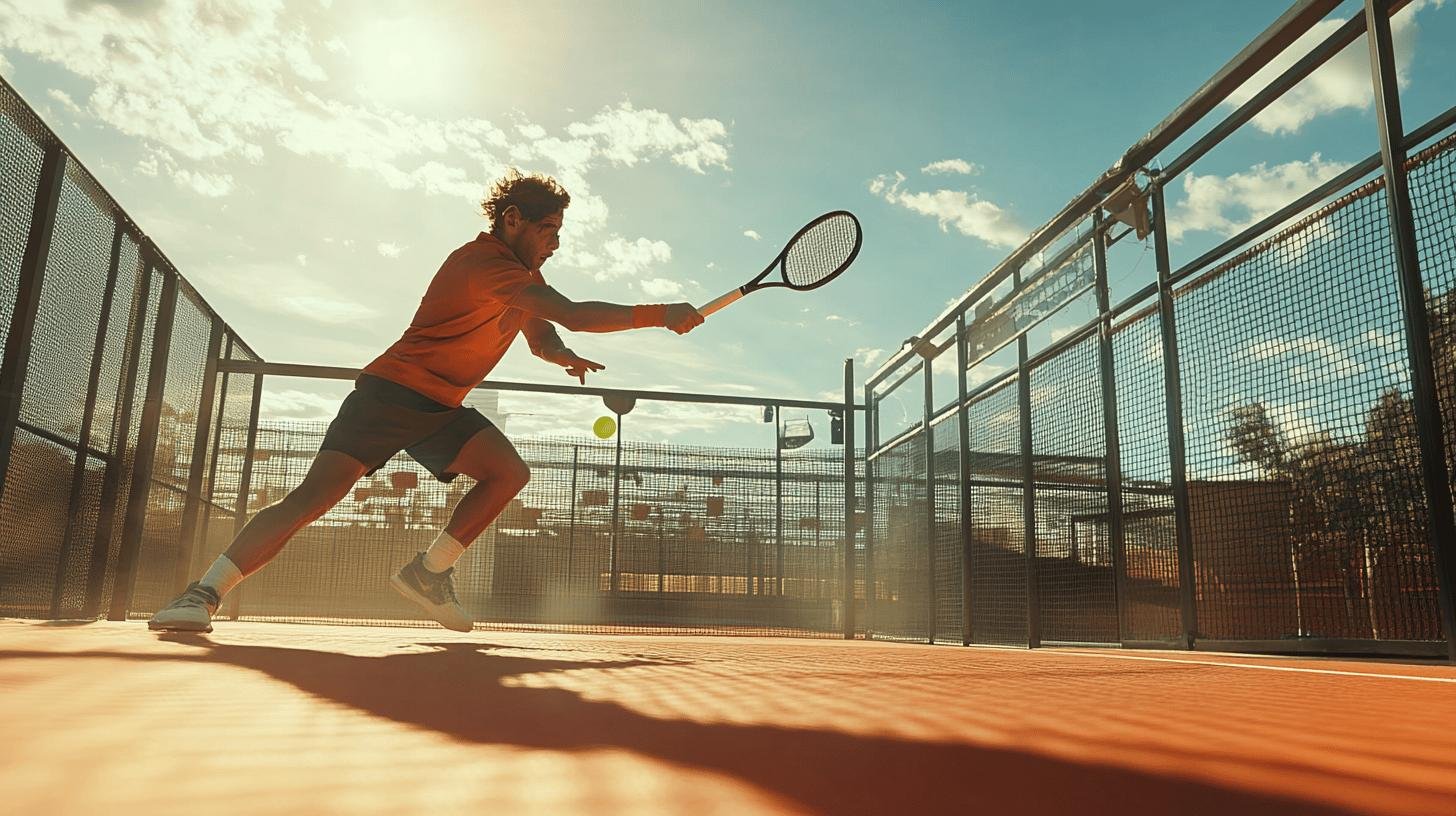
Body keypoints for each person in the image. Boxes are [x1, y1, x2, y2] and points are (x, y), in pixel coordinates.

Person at [149, 170, 704, 633]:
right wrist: (660, 313)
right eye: (548, 228)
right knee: (312, 500)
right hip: (390, 395)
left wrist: (566, 359)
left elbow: (544, 334)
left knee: (508, 473)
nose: (555, 241)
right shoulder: (482, 264)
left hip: (440, 407)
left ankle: (427, 573)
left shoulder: (524, 275)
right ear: (512, 218)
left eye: (559, 231)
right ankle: (201, 595)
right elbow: (575, 312)